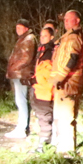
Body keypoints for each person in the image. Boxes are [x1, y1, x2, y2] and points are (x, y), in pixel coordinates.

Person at [53, 9, 83, 153]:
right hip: (64, 82)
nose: (65, 22)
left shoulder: (75, 37)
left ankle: (66, 150)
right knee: (61, 115)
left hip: (69, 82)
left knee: (66, 116)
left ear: (77, 20)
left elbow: (72, 59)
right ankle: (62, 146)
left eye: (68, 19)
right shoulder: (68, 36)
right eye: (64, 20)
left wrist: (61, 77)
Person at [5, 18, 37, 140]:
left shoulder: (28, 39)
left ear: (26, 28)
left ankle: (22, 128)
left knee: (21, 100)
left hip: (21, 74)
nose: (17, 30)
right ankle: (21, 127)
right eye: (17, 27)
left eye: (20, 27)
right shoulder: (23, 39)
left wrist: (13, 68)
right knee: (20, 100)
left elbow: (26, 58)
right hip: (18, 73)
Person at [30, 21, 57, 150]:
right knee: (42, 117)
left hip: (45, 90)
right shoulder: (42, 50)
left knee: (45, 118)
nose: (42, 39)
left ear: (52, 37)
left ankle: (43, 146)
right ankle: (44, 143)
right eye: (41, 36)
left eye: (45, 36)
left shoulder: (50, 52)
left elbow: (45, 73)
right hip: (40, 89)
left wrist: (35, 80)